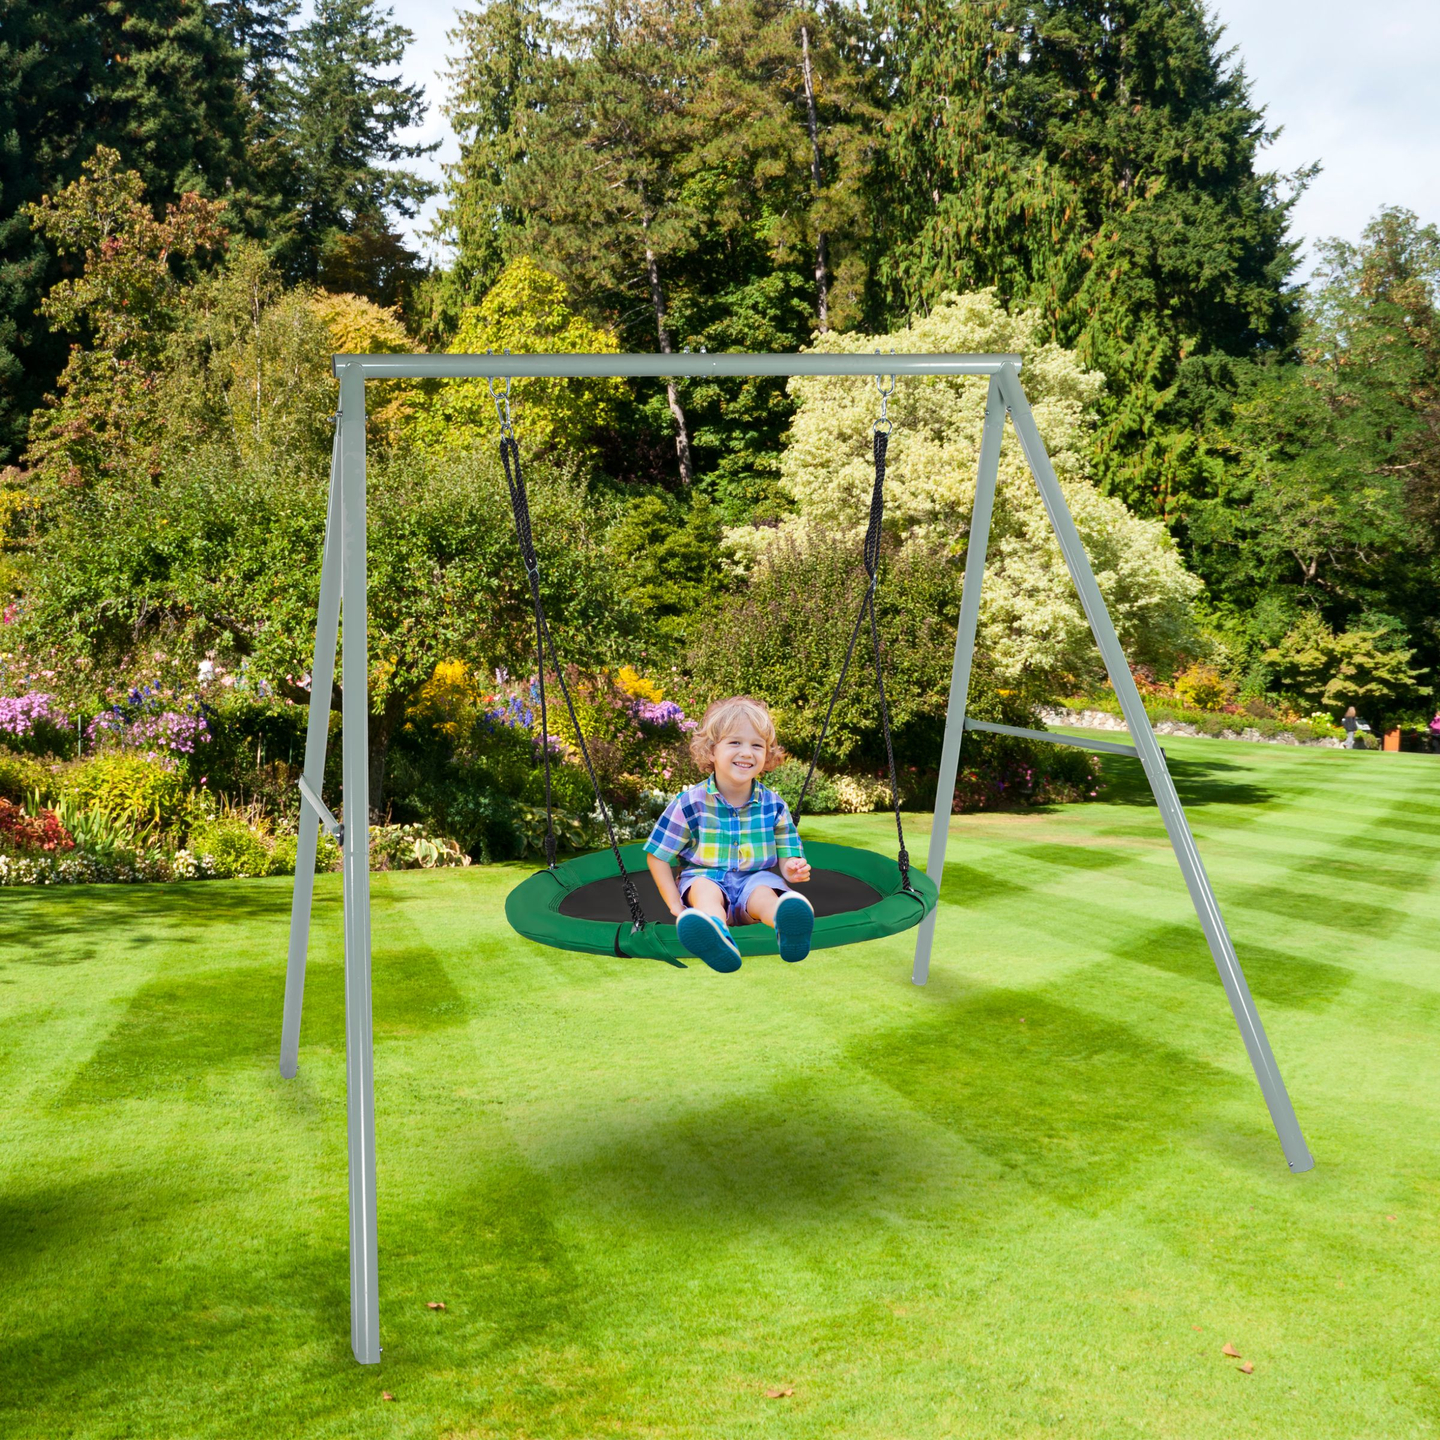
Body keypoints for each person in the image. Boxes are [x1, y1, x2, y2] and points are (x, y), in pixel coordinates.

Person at [644, 695, 814, 973]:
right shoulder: (690, 803)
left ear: (766, 756)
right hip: (704, 877)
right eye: (735, 742)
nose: (747, 752)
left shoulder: (774, 805)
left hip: (753, 881)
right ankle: (715, 932)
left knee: (765, 894)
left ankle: (787, 925)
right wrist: (675, 905)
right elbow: (657, 855)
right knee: (705, 891)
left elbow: (788, 853)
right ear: (711, 751)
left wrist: (792, 869)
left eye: (757, 745)